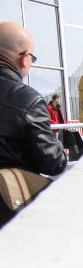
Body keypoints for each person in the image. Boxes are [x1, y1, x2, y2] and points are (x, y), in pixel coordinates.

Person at [0, 21, 67, 228]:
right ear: (23, 58)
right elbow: (52, 163)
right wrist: (61, 152)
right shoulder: (27, 100)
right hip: (8, 213)